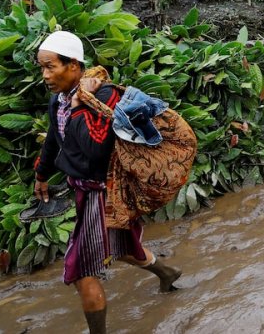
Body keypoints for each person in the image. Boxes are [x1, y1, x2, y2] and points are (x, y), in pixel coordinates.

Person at [34, 31, 181, 334]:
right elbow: (53, 139)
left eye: (51, 67)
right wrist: (41, 174)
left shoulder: (104, 96)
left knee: (81, 271)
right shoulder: (58, 100)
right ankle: (167, 272)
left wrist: (79, 106)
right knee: (122, 246)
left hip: (105, 193)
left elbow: (96, 149)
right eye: (42, 68)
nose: (45, 75)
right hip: (82, 190)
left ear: (73, 65)